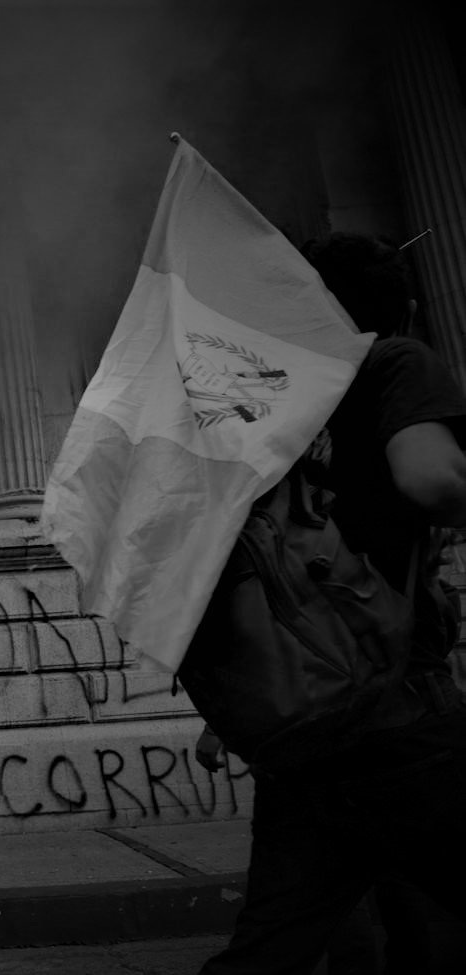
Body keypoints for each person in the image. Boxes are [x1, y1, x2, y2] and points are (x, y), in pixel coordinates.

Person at [198, 232, 466, 974]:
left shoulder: (271, 399)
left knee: (268, 950)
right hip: (399, 711)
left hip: (309, 730)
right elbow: (428, 478)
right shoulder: (394, 362)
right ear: (407, 306)